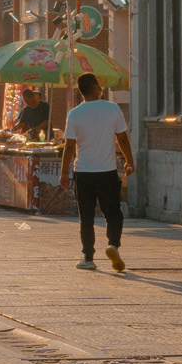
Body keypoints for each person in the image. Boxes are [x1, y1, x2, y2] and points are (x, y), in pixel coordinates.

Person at [59, 73, 134, 273]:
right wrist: (129, 161)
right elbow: (123, 139)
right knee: (113, 213)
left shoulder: (75, 113)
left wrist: (64, 173)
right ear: (93, 87)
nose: (101, 87)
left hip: (83, 171)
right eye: (98, 84)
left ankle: (88, 257)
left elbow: (69, 146)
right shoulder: (112, 109)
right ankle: (113, 245)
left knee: (86, 216)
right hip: (107, 171)